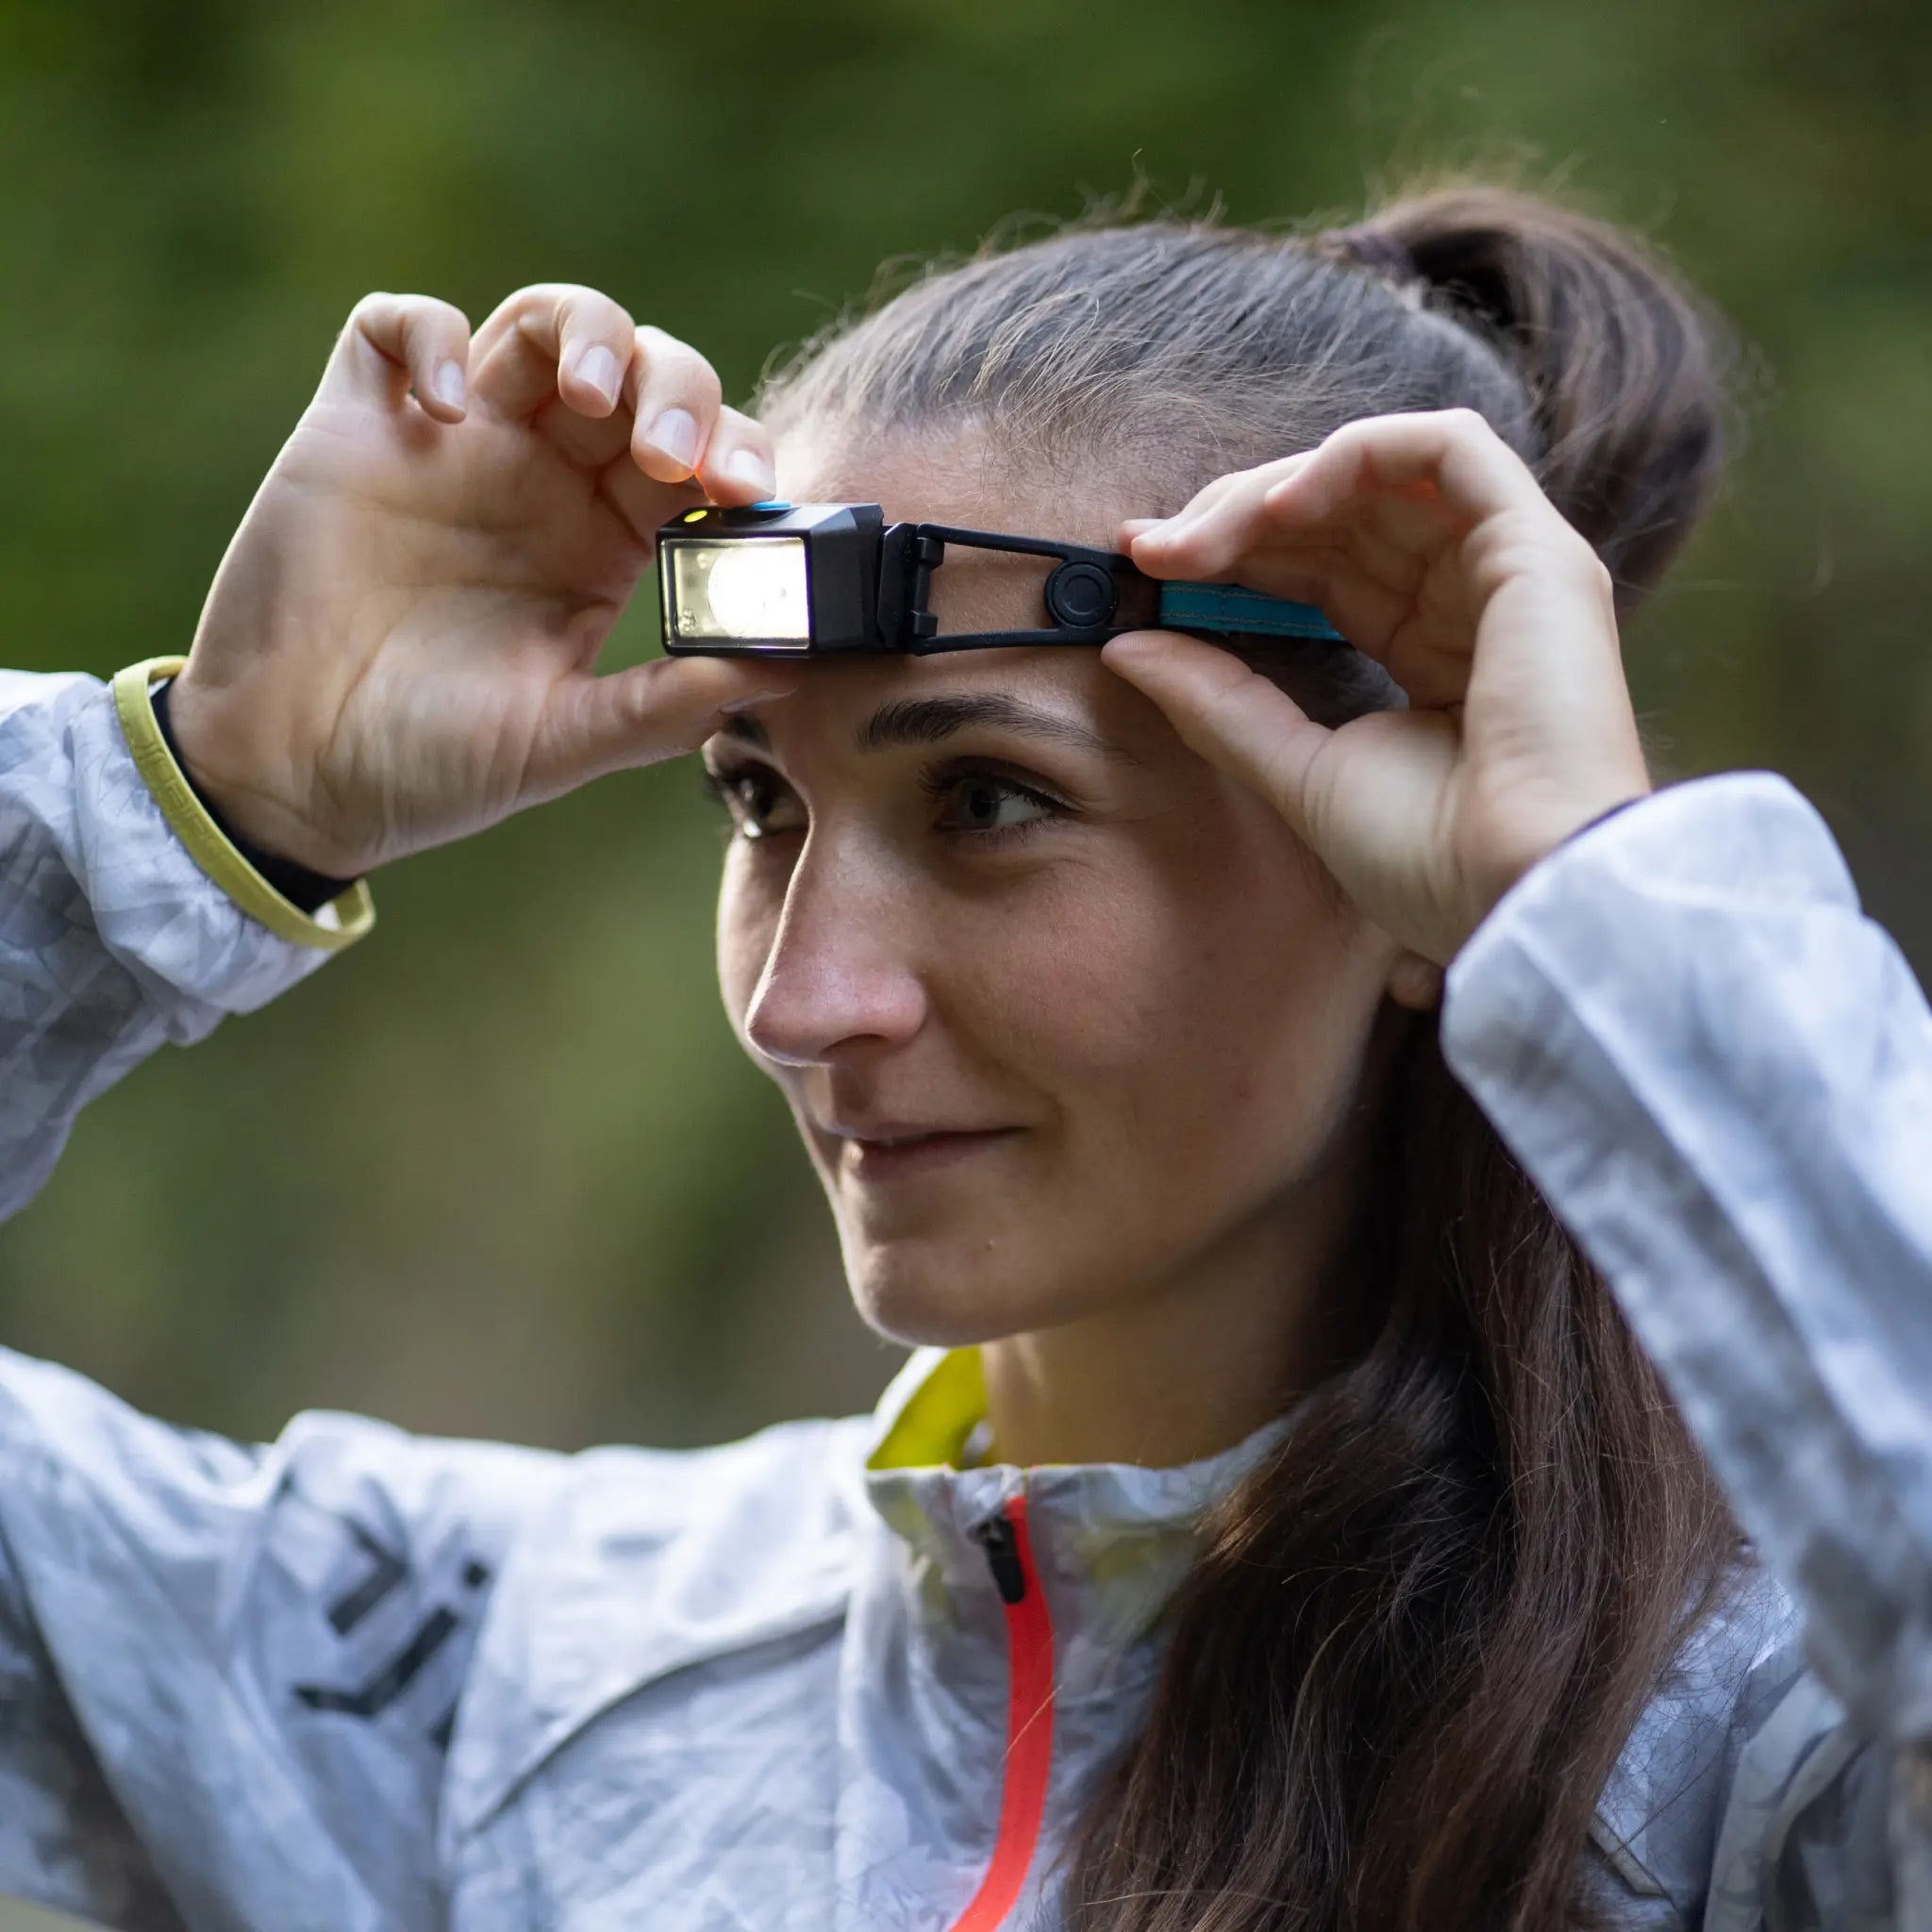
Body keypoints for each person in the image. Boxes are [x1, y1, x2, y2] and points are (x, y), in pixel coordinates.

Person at [0, 179, 1925, 1932]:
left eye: (991, 799)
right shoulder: (521, 1688)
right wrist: (202, 800)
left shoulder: (1765, 1770)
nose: (804, 1000)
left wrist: (1590, 915)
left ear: (1400, 855)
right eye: (759, 804)